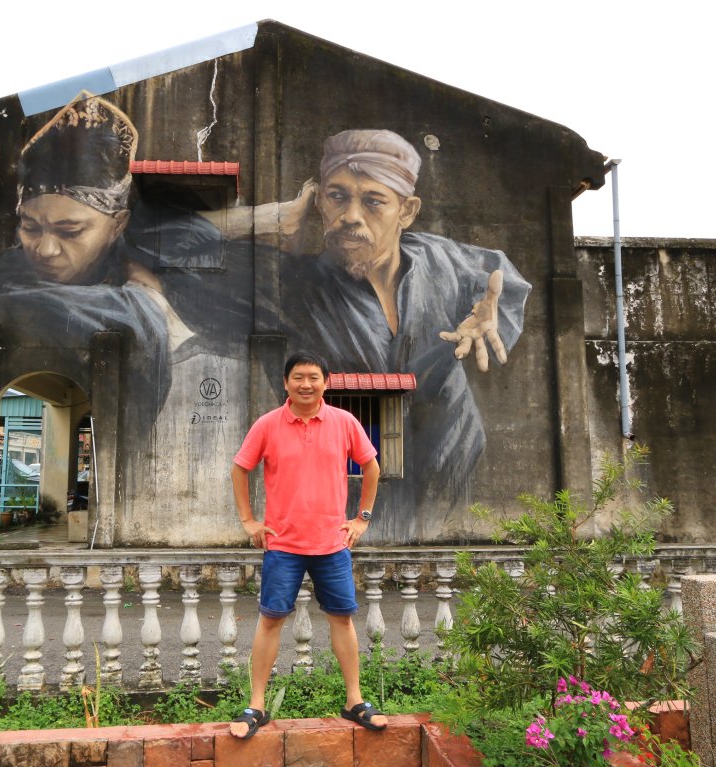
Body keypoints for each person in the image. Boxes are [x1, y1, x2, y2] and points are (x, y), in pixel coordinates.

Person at [280, 130, 532, 538]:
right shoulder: (293, 284)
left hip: (447, 472)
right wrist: (277, 218)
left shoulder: (441, 259)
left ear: (407, 210)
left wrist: (487, 315)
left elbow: (499, 280)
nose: (351, 217)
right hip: (345, 498)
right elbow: (171, 247)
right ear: (319, 201)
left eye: (373, 201)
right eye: (337, 196)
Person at [228, 350, 385, 739]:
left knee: (342, 618)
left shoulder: (344, 422)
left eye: (313, 377)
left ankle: (354, 701)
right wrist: (249, 521)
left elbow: (371, 466)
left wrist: (361, 519)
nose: (306, 384)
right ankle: (257, 705)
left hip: (332, 543)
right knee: (271, 619)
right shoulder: (267, 425)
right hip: (283, 544)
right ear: (286, 383)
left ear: (325, 382)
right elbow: (239, 468)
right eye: (298, 377)